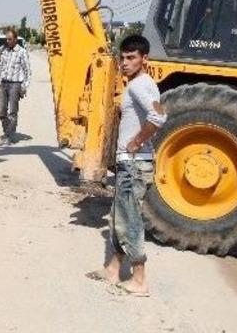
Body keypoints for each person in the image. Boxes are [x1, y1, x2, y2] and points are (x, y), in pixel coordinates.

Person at [88, 35, 166, 297]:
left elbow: (159, 116)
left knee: (130, 220)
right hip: (130, 163)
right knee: (119, 218)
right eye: (123, 57)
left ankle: (140, 280)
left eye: (131, 58)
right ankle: (112, 269)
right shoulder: (139, 84)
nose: (125, 63)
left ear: (145, 59)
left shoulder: (138, 86)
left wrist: (135, 143)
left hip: (135, 163)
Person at [0, 28, 30, 146]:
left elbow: (27, 71)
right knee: (1, 111)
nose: (7, 41)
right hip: (3, 83)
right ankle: (7, 132)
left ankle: (9, 135)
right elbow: (2, 69)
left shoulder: (22, 52)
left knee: (13, 112)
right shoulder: (5, 51)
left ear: (15, 39)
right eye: (6, 39)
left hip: (15, 84)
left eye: (10, 39)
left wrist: (24, 86)